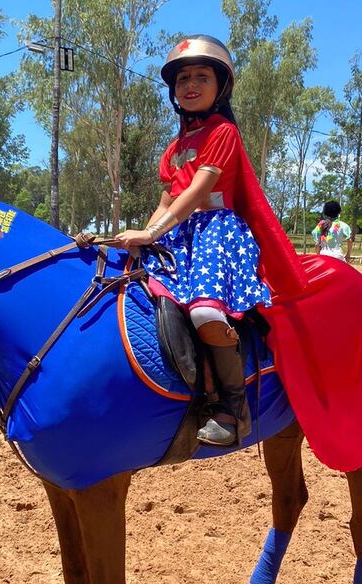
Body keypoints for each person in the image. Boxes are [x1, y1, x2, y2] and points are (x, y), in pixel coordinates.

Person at [115, 35, 271, 447]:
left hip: (218, 234)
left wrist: (153, 232)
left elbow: (197, 193)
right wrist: (138, 242)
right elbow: (166, 200)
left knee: (205, 313)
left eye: (202, 76)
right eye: (183, 77)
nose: (191, 84)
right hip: (180, 235)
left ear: (221, 86)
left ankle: (234, 408)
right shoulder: (174, 147)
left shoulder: (223, 133)